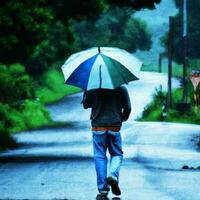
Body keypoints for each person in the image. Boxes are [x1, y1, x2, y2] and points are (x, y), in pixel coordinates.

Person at [82, 86, 131, 199]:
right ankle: (113, 175)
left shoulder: (92, 88)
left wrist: (85, 92)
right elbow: (127, 108)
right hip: (114, 127)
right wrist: (121, 118)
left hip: (98, 127)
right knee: (117, 154)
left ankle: (103, 190)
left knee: (99, 156)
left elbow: (86, 105)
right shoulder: (121, 89)